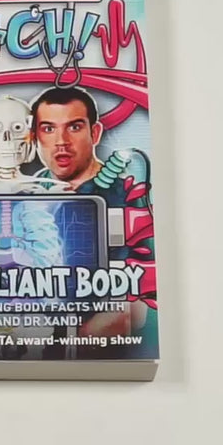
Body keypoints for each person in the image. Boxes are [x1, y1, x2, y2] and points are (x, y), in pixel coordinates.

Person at [30, 86, 154, 343]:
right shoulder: (27, 194)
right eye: (48, 128)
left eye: (74, 127)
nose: (61, 141)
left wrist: (77, 339)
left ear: (94, 133)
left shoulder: (127, 196)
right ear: (34, 137)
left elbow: (138, 309)